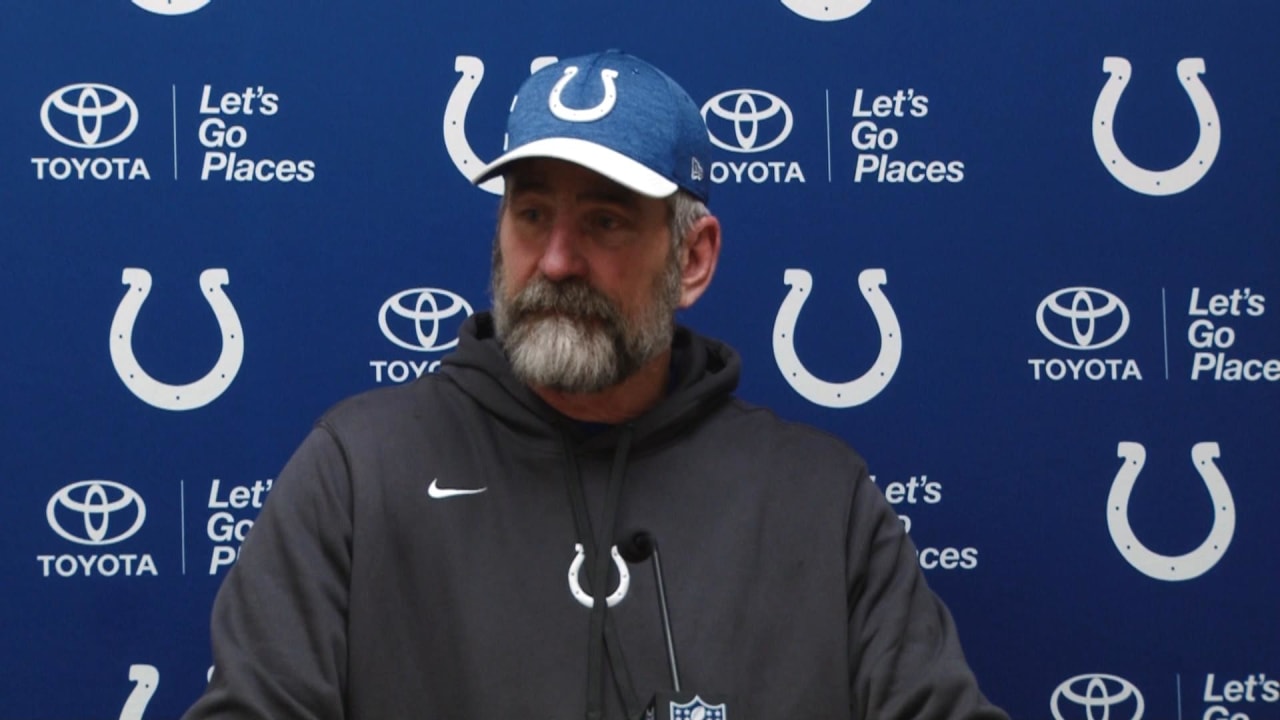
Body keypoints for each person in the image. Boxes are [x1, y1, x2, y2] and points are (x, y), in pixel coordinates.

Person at [183, 50, 1008, 720]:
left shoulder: (822, 498)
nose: (555, 261)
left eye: (605, 220)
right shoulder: (357, 471)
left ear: (693, 257)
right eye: (532, 213)